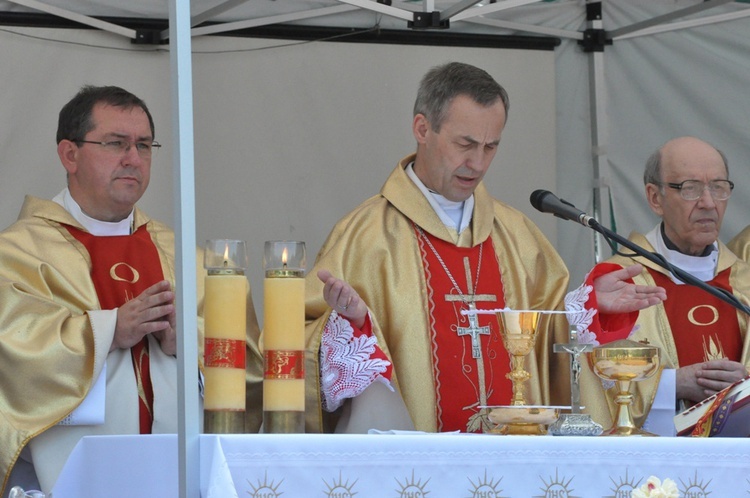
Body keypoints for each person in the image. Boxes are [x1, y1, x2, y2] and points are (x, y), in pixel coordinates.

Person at [302, 62, 663, 434]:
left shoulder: (518, 235)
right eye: (465, 144)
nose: (477, 163)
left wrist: (583, 311)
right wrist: (348, 326)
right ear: (422, 129)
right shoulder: (363, 236)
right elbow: (299, 342)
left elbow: (548, 352)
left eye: (491, 147)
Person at [0, 85, 263, 497]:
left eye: (143, 145)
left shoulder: (185, 256)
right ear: (69, 155)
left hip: (179, 480)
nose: (133, 159)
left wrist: (189, 346)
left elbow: (248, 366)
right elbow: (12, 352)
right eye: (116, 144)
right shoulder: (17, 253)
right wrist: (109, 330)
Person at [578, 136, 750, 428]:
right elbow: (591, 384)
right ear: (655, 198)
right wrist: (672, 384)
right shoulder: (619, 282)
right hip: (655, 466)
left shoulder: (744, 281)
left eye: (718, 187)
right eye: (690, 188)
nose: (708, 203)